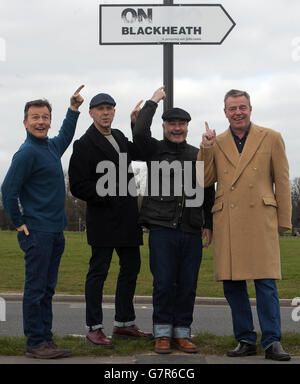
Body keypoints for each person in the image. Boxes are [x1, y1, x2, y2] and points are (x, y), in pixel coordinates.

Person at [199, 89, 292, 361]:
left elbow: (283, 181)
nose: (237, 112)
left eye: (242, 107)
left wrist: (283, 221)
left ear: (250, 109)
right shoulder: (215, 142)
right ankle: (245, 339)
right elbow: (204, 180)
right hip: (228, 218)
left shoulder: (271, 137)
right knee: (232, 284)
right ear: (224, 112)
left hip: (261, 218)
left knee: (266, 283)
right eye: (232, 108)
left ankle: (272, 341)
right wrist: (204, 148)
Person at [1, 86, 85, 359]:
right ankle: (35, 342)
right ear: (25, 122)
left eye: (45, 117)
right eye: (35, 117)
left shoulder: (50, 147)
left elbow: (66, 136)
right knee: (36, 290)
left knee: (47, 290)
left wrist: (73, 110)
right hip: (37, 233)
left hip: (54, 232)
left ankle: (46, 340)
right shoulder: (26, 153)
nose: (41, 121)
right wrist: (19, 222)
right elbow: (8, 190)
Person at [131, 87, 215, 354]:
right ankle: (162, 334)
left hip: (191, 229)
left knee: (188, 284)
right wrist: (153, 102)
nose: (176, 128)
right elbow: (140, 133)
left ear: (187, 127)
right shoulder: (154, 149)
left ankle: (182, 333)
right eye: (172, 124)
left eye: (181, 124)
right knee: (164, 283)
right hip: (161, 229)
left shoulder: (197, 153)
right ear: (165, 126)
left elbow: (207, 189)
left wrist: (209, 224)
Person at [68, 92, 152, 348]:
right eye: (101, 109)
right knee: (99, 272)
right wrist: (108, 196)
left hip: (127, 219)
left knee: (131, 269)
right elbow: (78, 185)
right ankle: (93, 328)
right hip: (104, 219)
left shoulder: (118, 136)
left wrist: (135, 124)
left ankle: (124, 323)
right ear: (92, 113)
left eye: (110, 109)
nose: (106, 113)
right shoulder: (84, 144)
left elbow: (141, 151)